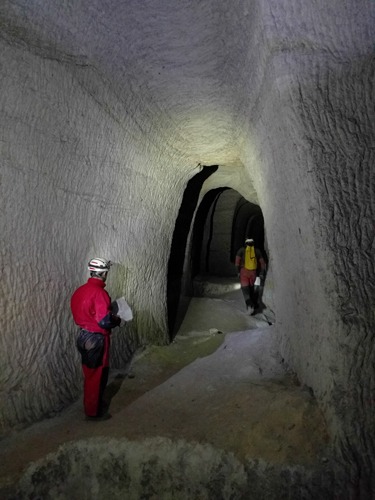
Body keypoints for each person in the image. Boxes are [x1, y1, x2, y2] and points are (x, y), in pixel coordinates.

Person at [71, 257, 121, 421]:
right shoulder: (100, 293)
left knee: (89, 373)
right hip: (96, 339)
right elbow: (104, 321)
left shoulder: (80, 291)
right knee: (98, 375)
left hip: (83, 336)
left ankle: (91, 404)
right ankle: (94, 412)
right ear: (103, 273)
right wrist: (117, 319)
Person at [235, 238, 266, 315]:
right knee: (252, 289)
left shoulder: (241, 250)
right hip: (253, 273)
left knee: (245, 289)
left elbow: (237, 263)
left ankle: (249, 306)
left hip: (244, 272)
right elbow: (262, 263)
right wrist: (261, 273)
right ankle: (254, 305)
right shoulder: (257, 251)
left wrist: (238, 272)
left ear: (245, 243)